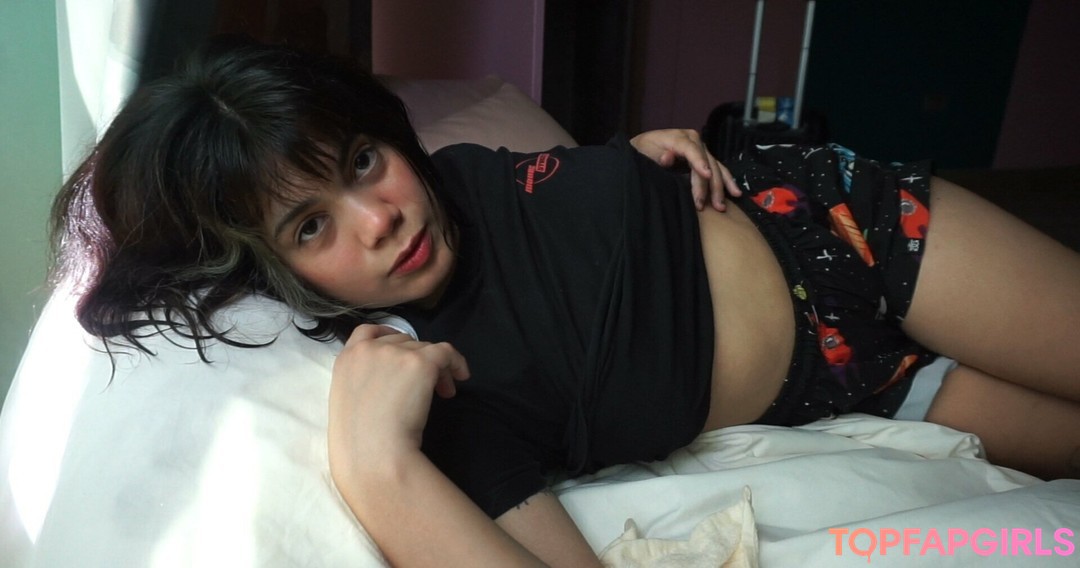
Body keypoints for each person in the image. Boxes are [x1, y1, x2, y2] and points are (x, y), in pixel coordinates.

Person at [50, 37, 1080, 567]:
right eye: (311, 226)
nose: (380, 216)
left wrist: (629, 156)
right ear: (272, 276)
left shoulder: (455, 175)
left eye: (362, 160)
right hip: (851, 385)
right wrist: (378, 469)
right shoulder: (441, 389)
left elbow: (563, 215)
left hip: (833, 219)